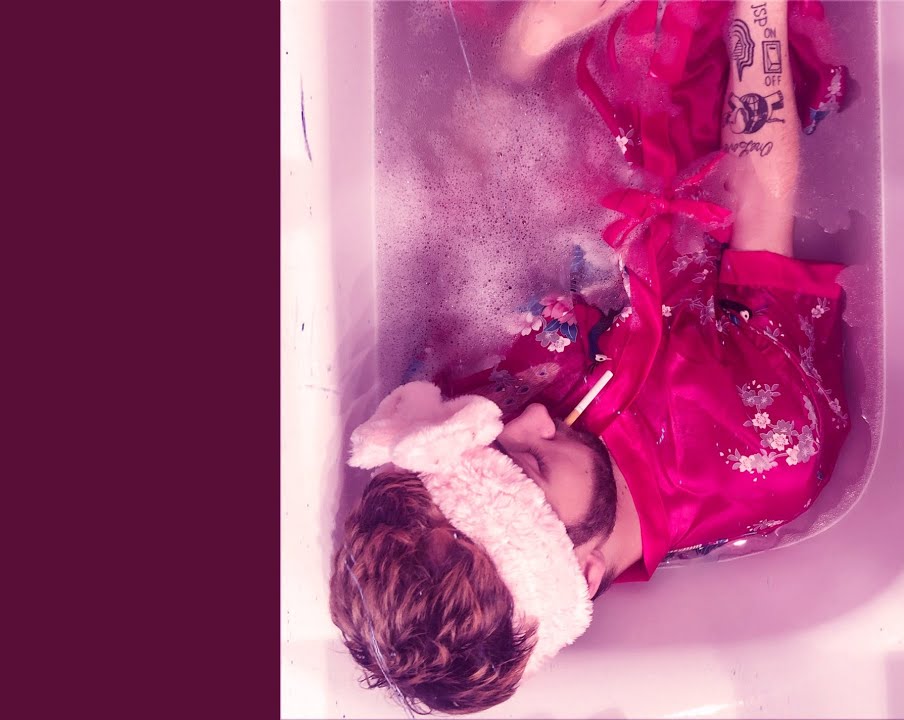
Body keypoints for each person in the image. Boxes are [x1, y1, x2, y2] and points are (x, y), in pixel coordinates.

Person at [331, 1, 857, 714]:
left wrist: (528, 43)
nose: (525, 420)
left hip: (574, 71)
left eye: (491, 443)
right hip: (714, 80)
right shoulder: (759, 453)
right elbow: (761, 206)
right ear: (583, 573)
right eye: (532, 464)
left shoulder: (476, 409)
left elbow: (461, 189)